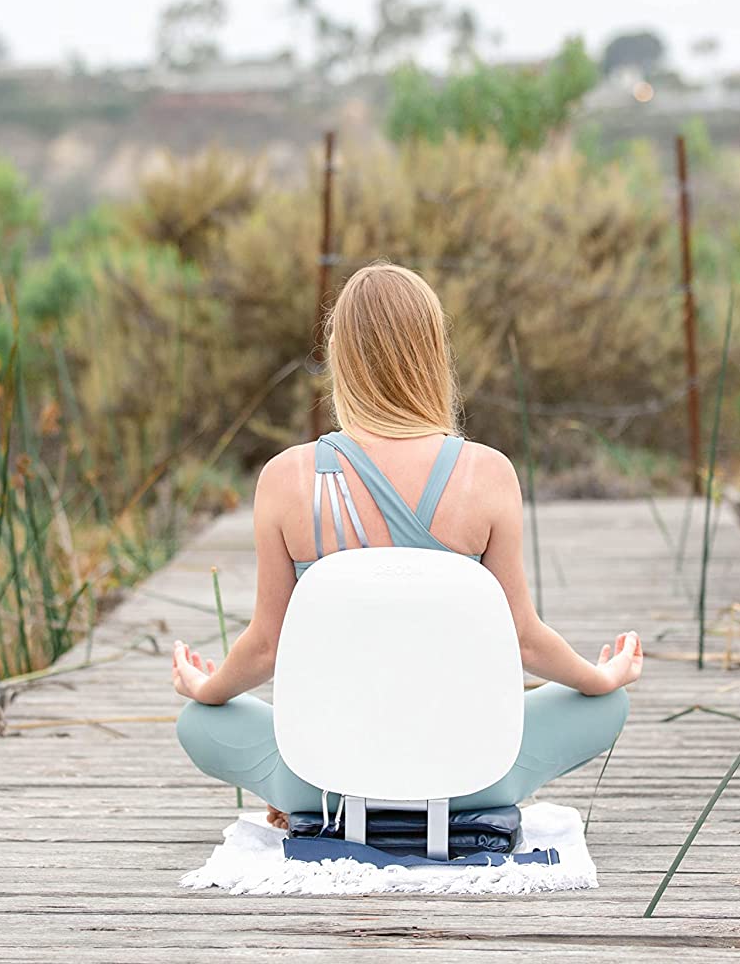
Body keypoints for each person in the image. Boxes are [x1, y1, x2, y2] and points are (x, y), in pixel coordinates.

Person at [172, 262, 642, 829]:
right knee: (607, 707)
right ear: (433, 354)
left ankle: (314, 801)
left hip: (324, 778)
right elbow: (524, 638)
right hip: (471, 775)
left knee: (198, 723)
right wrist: (599, 679)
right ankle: (472, 803)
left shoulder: (285, 478)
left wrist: (208, 687)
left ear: (339, 356)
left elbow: (266, 648)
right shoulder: (486, 474)